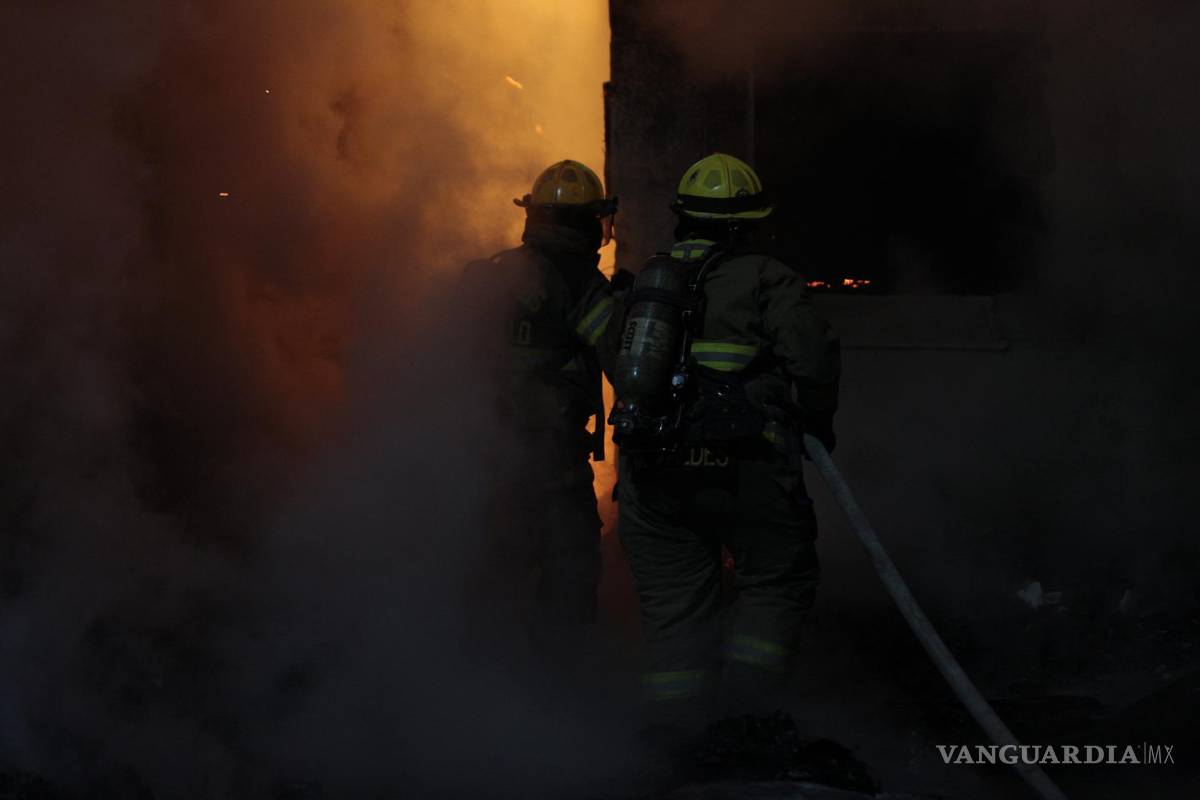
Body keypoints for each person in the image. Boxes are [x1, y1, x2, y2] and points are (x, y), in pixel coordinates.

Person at [611, 153, 840, 726]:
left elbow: (619, 365)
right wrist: (817, 425)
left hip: (655, 471)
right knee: (775, 580)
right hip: (748, 466)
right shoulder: (769, 278)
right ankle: (748, 720)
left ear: (683, 217)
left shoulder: (649, 284)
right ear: (747, 223)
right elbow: (811, 363)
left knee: (676, 609)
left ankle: (676, 734)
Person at [458, 159, 618, 671]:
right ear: (592, 222)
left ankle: (475, 681)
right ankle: (557, 682)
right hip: (551, 460)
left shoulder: (487, 275)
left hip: (481, 455)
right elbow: (625, 363)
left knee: (493, 568)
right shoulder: (587, 288)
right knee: (568, 571)